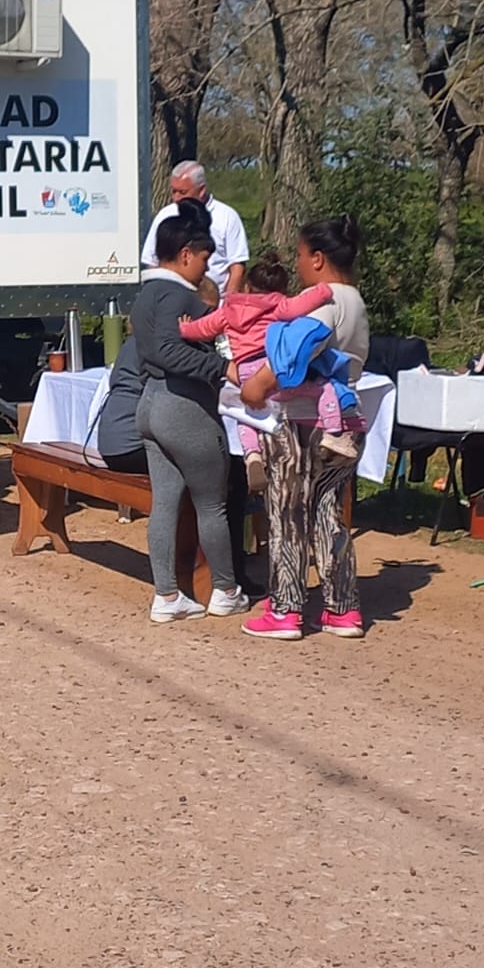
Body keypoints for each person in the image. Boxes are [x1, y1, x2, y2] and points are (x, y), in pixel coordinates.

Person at [239, 215, 370, 641]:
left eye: (298, 255)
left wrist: (256, 386)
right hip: (346, 421)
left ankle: (286, 608)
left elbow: (293, 354)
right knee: (329, 514)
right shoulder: (355, 301)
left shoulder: (324, 300)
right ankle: (342, 608)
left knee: (287, 511)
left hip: (302, 423)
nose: (296, 265)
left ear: (317, 259)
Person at [132, 199, 250, 623]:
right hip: (184, 407)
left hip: (150, 404)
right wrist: (222, 368)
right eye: (203, 258)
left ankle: (167, 596)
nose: (206, 267)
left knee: (164, 503)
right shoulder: (178, 295)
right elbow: (170, 350)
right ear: (185, 255)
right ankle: (225, 589)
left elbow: (156, 350)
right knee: (211, 505)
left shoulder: (145, 294)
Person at [179, 253, 342, 492]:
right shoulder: (278, 305)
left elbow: (202, 329)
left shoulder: (228, 311)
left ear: (247, 286)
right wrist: (325, 290)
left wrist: (184, 328)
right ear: (281, 289)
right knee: (323, 388)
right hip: (271, 372)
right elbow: (305, 303)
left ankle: (252, 455)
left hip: (244, 374)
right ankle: (333, 434)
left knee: (245, 414)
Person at [141, 161, 249, 297]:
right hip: (173, 298)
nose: (176, 198)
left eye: (182, 192)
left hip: (215, 301)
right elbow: (152, 261)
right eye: (173, 191)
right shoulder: (165, 215)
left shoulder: (227, 216)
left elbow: (237, 266)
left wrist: (228, 303)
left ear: (201, 190)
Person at [96, 336, 148, 474]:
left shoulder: (130, 343)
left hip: (108, 447)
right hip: (132, 450)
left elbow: (113, 380)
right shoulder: (159, 345)